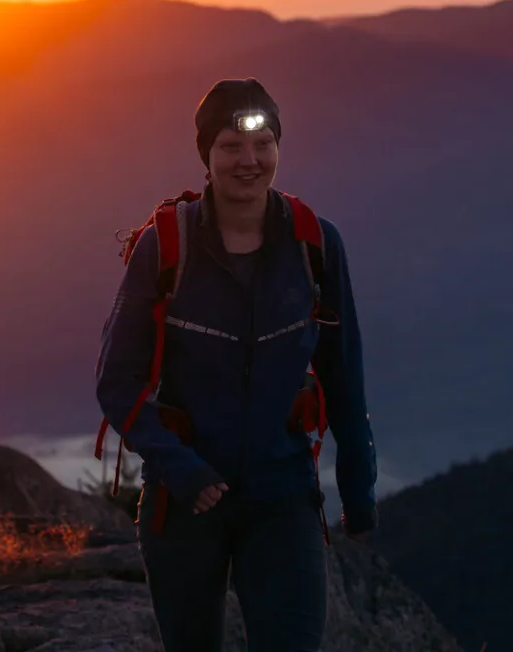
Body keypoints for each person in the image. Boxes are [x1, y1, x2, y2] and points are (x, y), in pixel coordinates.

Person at [94, 78, 378, 651]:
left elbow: (344, 375)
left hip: (284, 496)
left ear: (278, 147)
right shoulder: (165, 247)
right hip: (185, 504)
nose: (249, 161)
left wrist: (358, 492)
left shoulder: (315, 245)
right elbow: (116, 381)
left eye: (263, 143)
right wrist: (180, 466)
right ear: (207, 154)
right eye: (231, 146)